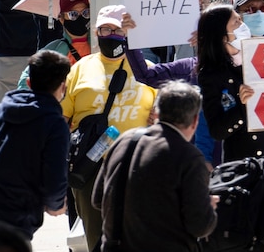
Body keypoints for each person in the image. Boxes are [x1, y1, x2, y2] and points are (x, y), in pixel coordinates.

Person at [61, 5, 157, 251]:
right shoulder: (79, 69)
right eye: (105, 28)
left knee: (139, 239)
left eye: (118, 29)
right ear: (95, 31)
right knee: (97, 240)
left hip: (136, 167)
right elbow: (61, 119)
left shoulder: (145, 69)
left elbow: (163, 116)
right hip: (90, 169)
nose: (112, 34)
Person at [92, 81, 219, 250]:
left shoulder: (125, 140)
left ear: (157, 113)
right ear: (195, 121)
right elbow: (200, 225)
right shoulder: (189, 156)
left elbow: (98, 199)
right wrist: (207, 206)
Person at [0, 50, 71, 240]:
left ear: (28, 82)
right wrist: (56, 205)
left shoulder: (0, 111)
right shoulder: (55, 124)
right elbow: (54, 174)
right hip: (18, 216)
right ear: (63, 87)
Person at [196, 4, 264, 161]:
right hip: (245, 164)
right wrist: (243, 106)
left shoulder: (260, 55)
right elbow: (217, 131)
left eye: (241, 20)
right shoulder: (211, 75)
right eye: (236, 22)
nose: (243, 26)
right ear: (223, 36)